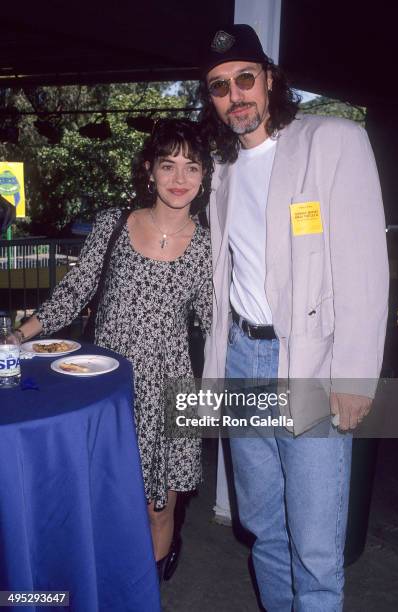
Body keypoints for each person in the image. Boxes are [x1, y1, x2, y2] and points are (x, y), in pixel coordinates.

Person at [199, 25, 389, 611]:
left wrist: (356, 376)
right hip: (241, 359)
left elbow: (363, 266)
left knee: (315, 541)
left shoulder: (333, 141)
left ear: (270, 80)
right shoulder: (223, 169)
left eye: (245, 79)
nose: (236, 95)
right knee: (262, 524)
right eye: (220, 86)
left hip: (308, 360)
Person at [16, 118, 213, 581]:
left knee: (157, 507)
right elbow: (73, 293)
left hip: (168, 390)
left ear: (205, 177)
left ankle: (143, 588)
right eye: (169, 166)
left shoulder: (208, 245)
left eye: (192, 168)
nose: (180, 179)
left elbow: (215, 320)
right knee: (97, 499)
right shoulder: (113, 225)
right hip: (105, 387)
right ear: (149, 170)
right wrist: (19, 334)